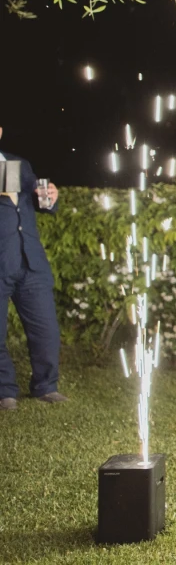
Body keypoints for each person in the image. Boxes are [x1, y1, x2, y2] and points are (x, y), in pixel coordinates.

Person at [0, 126, 67, 410]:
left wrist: (51, 195)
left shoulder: (19, 164)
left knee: (46, 330)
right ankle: (5, 391)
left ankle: (46, 386)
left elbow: (42, 203)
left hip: (31, 262)